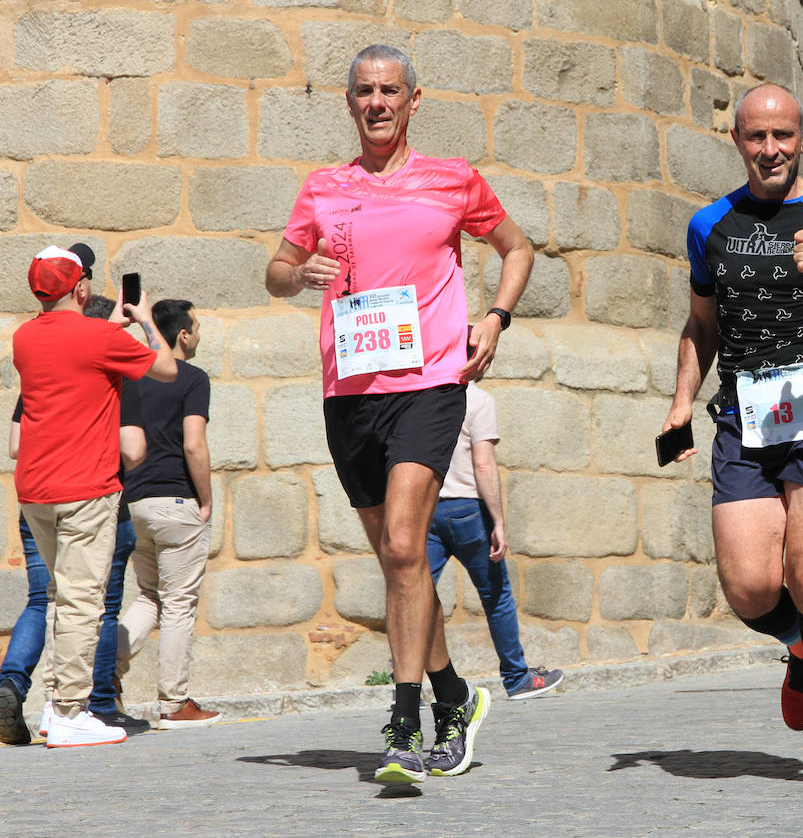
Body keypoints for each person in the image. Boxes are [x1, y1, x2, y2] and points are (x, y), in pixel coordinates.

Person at [266, 44, 533, 784]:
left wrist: (496, 318)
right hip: (349, 391)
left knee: (410, 543)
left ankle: (403, 722)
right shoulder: (323, 187)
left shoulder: (452, 180)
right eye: (364, 92)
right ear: (349, 103)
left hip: (428, 382)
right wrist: (299, 270)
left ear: (415, 100)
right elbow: (276, 272)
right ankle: (456, 696)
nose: (377, 102)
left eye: (390, 91)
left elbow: (517, 247)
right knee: (399, 561)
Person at [662, 83, 803, 791]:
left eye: (782, 136)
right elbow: (702, 325)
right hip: (745, 418)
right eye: (756, 137)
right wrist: (679, 403)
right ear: (737, 141)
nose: (770, 149)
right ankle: (799, 647)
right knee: (752, 586)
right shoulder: (710, 226)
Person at [10, 244, 176, 747]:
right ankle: (69, 712)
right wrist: (145, 320)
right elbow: (166, 369)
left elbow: (78, 354)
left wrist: (112, 332)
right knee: (84, 600)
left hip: (35, 487)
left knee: (60, 598)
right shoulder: (102, 336)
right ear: (81, 288)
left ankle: (53, 707)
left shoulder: (23, 338)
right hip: (84, 485)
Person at [116, 299, 219, 728]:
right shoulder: (192, 378)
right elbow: (194, 443)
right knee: (178, 603)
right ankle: (174, 703)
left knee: (148, 597)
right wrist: (206, 498)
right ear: (182, 335)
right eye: (196, 327)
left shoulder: (130, 376)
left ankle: (106, 675)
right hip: (176, 502)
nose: (198, 334)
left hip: (134, 501)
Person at [426, 383, 563, 700]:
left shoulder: (420, 396)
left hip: (426, 508)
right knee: (497, 596)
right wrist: (498, 521)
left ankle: (403, 684)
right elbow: (483, 464)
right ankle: (517, 678)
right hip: (468, 511)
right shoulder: (477, 399)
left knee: (413, 595)